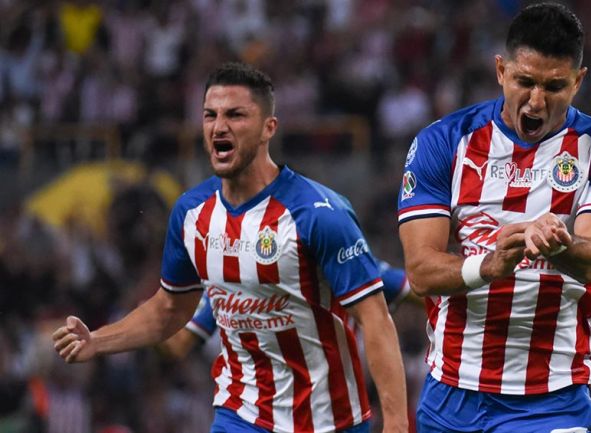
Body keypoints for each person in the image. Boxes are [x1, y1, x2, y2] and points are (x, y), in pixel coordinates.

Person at [53, 61, 409, 433]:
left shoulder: (319, 214)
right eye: (210, 115)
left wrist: (397, 424)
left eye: (235, 115)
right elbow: (168, 309)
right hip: (240, 414)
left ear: (268, 128)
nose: (219, 126)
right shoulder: (191, 212)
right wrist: (97, 341)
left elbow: (376, 320)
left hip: (329, 420)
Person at [397, 3, 591, 433]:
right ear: (500, 71)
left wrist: (555, 240)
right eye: (524, 81)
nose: (536, 100)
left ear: (578, 82)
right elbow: (420, 271)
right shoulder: (444, 142)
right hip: (452, 393)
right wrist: (489, 265)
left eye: (554, 86)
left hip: (551, 401)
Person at [158, 260, 412, 360]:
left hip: (332, 406)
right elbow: (179, 343)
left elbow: (417, 288)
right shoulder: (229, 277)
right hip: (264, 409)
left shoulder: (344, 262)